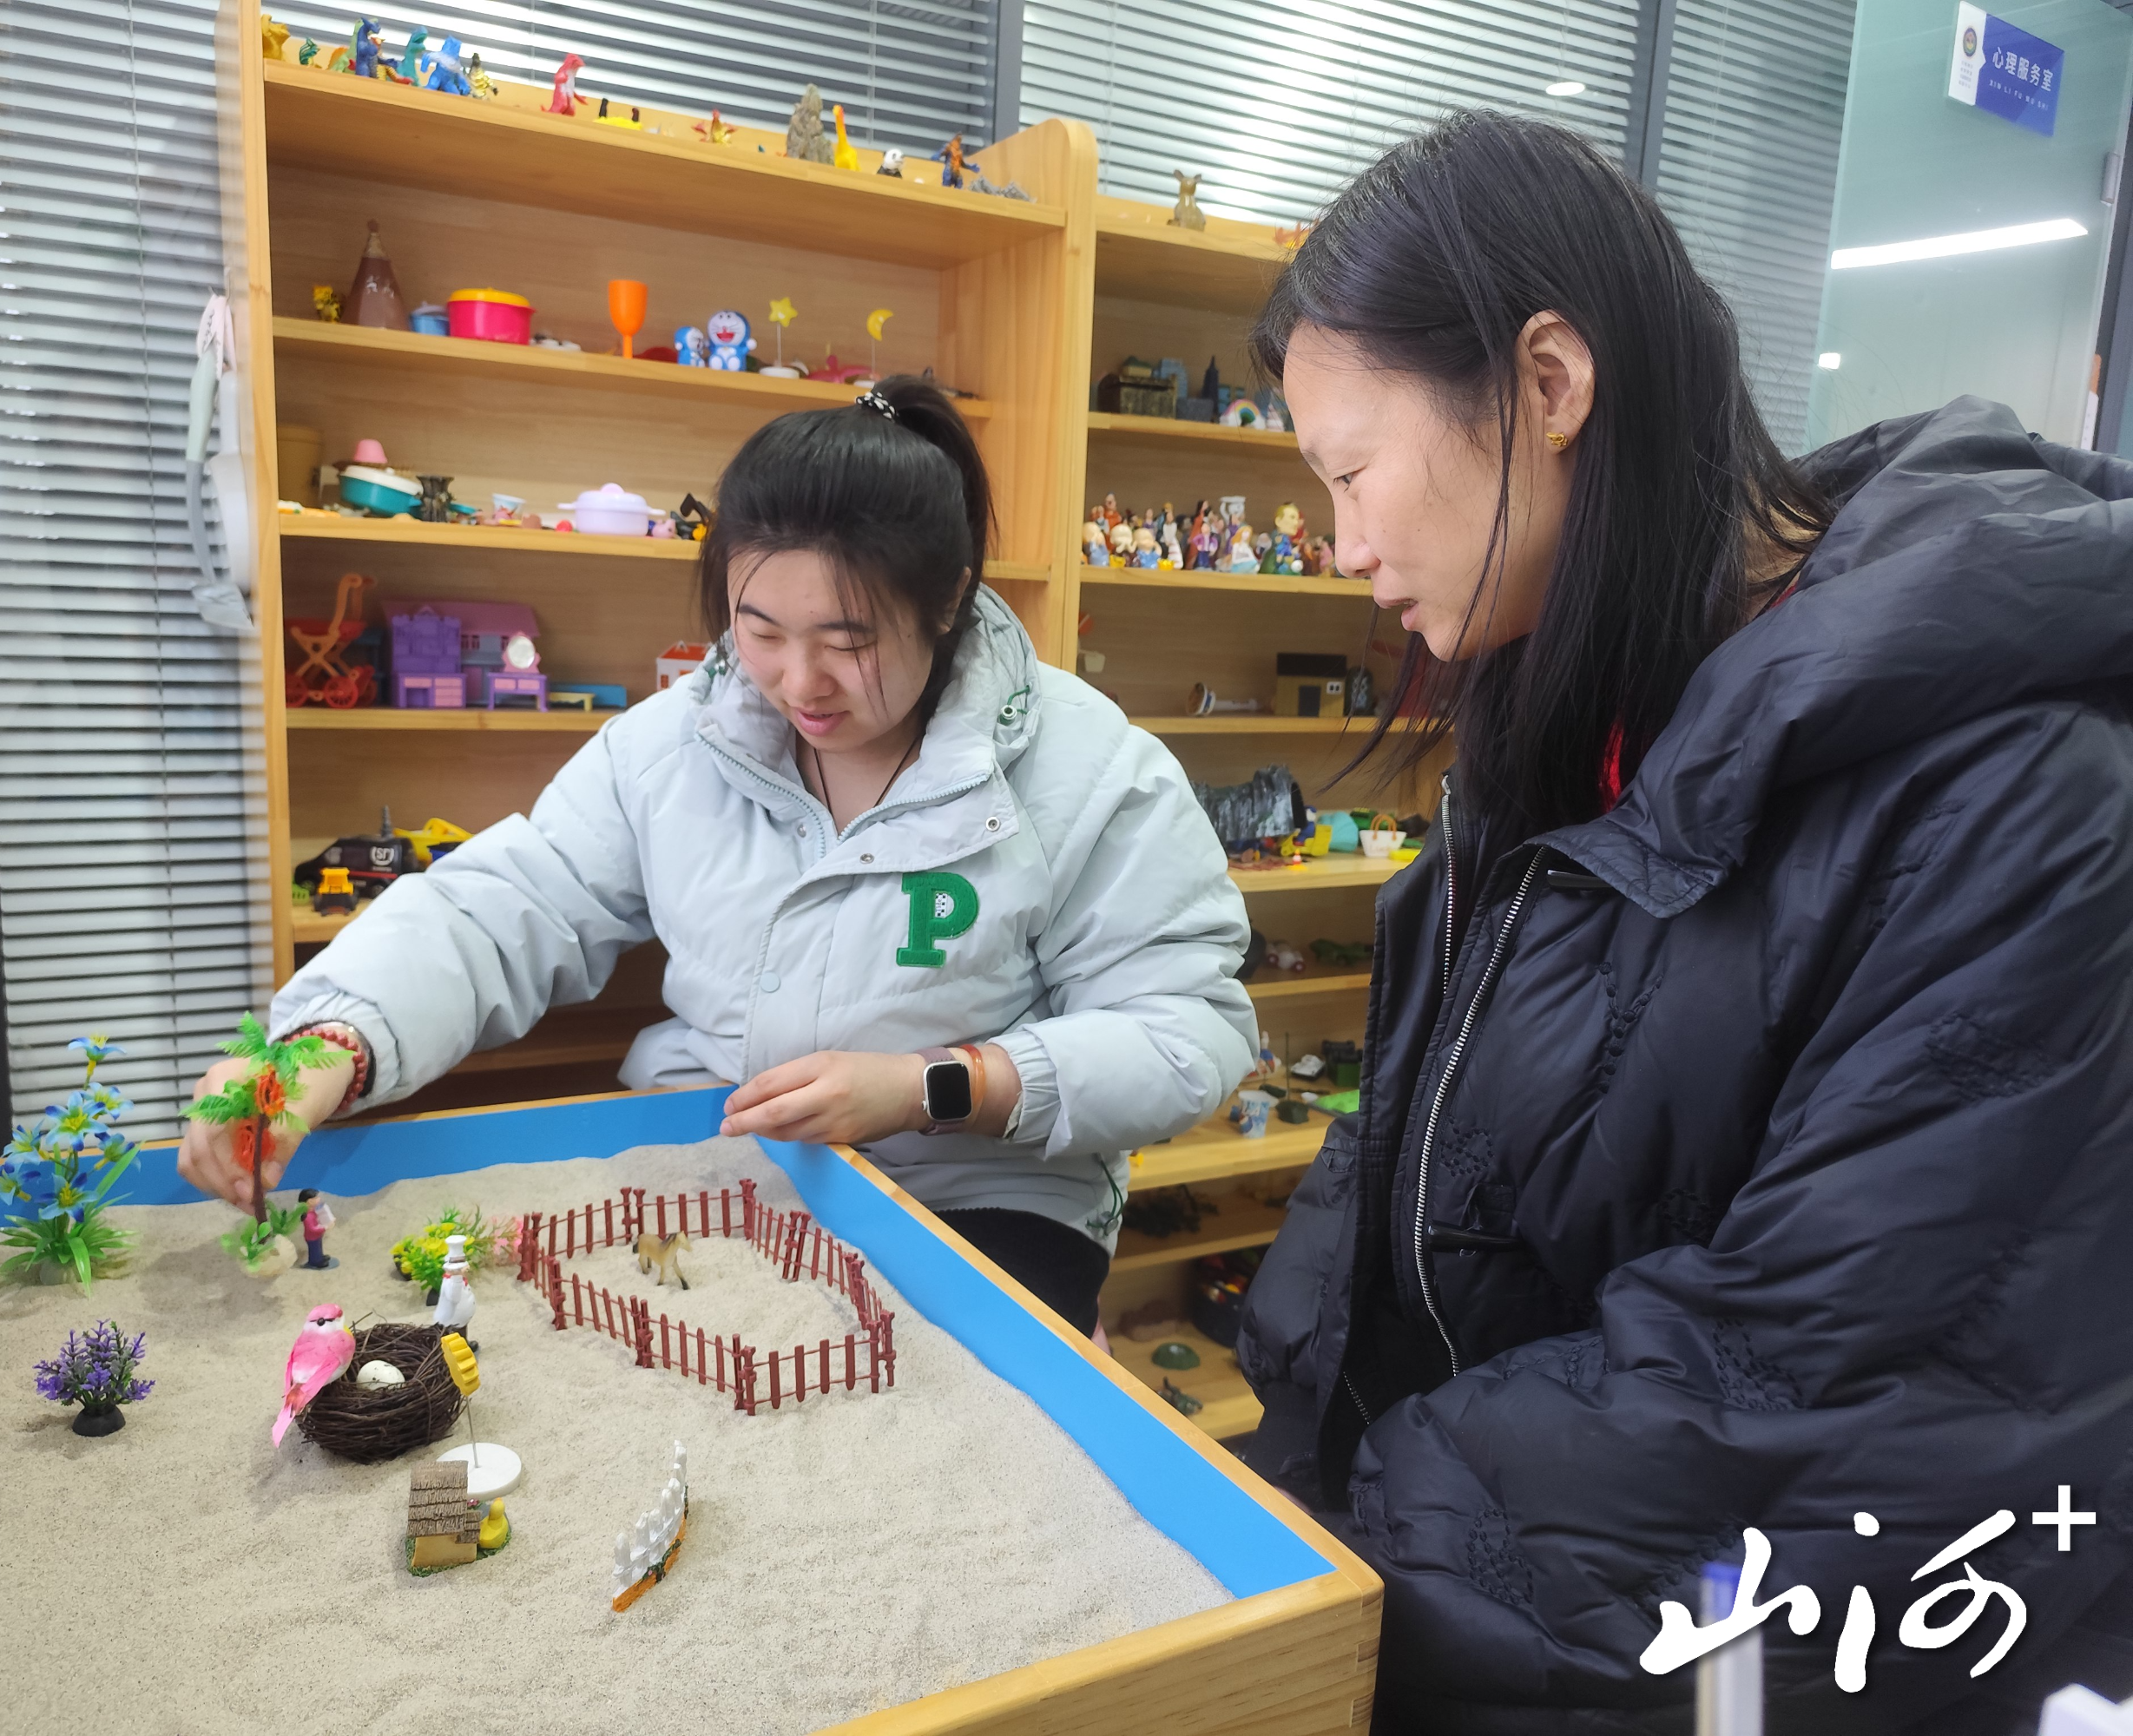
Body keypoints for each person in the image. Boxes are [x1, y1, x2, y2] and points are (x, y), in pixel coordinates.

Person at [1237, 112, 2133, 1733]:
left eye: (1350, 474)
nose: (1347, 548)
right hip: (1485, 1600)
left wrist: (1352, 1559)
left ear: (1549, 385)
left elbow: (1838, 1403)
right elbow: (1412, 1146)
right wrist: (1279, 1470)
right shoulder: (1565, 715)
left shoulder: (2016, 796)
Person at [176, 376, 1256, 1338]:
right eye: (761, 630)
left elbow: (1187, 1035)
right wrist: (330, 1040)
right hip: (714, 1150)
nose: (799, 682)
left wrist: (934, 1084)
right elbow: (502, 906)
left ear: (945, 600)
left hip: (978, 1190)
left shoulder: (1088, 768)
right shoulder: (672, 743)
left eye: (849, 639)